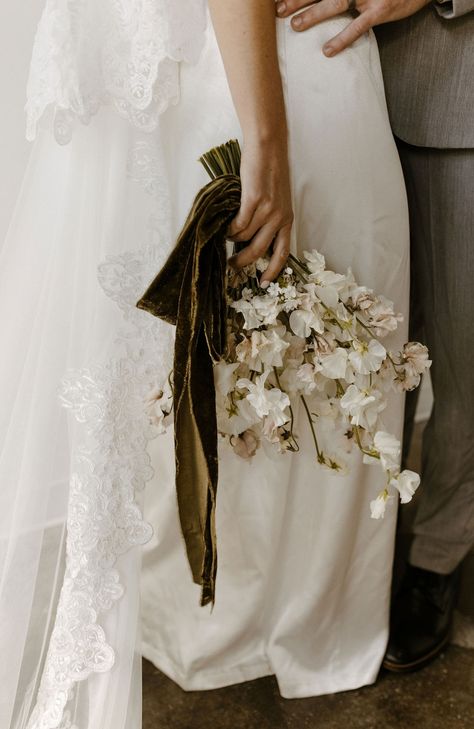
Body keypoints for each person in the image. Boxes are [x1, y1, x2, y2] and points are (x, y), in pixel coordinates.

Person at [0, 2, 410, 727]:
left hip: (231, 65)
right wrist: (268, 138)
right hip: (266, 70)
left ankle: (208, 616)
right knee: (256, 343)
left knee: (258, 355)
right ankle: (278, 621)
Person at [276, 0, 474, 672]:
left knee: (464, 353)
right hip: (327, 84)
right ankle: (345, 553)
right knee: (344, 346)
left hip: (457, 81)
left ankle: (436, 554)